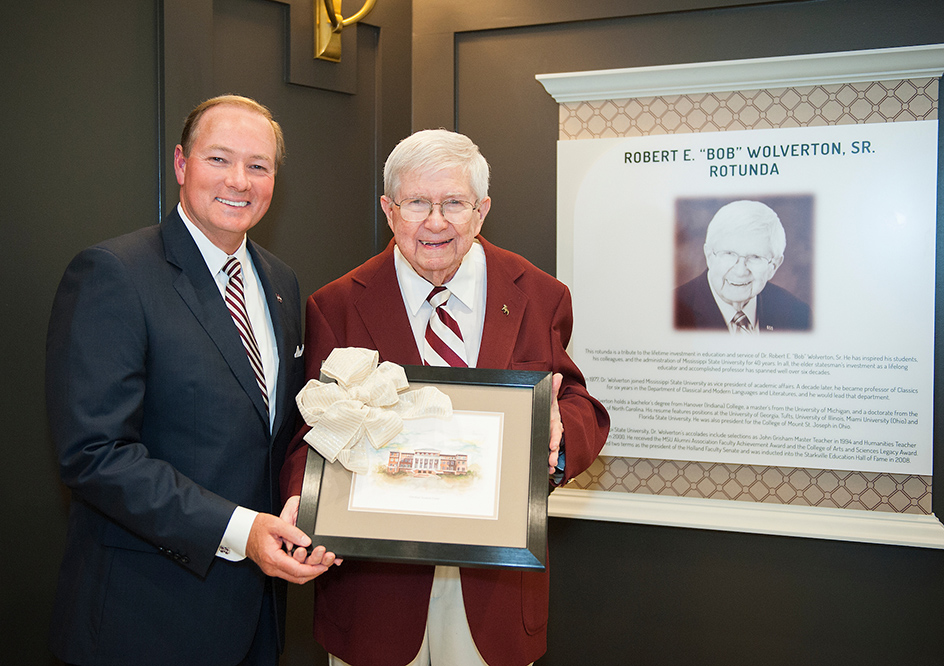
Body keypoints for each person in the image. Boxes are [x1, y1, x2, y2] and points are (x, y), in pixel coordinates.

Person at [280, 129, 610, 666]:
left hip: (493, 589)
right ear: (389, 210)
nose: (435, 222)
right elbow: (311, 432)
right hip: (375, 589)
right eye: (417, 203)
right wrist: (305, 499)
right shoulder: (335, 305)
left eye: (453, 203)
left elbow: (575, 400)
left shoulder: (540, 294)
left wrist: (560, 435)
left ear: (481, 211)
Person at [46, 95, 338, 666]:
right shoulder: (114, 274)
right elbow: (94, 455)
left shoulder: (281, 282)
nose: (239, 181)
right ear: (181, 165)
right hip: (146, 621)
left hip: (258, 618)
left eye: (259, 166)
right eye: (219, 159)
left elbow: (274, 434)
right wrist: (239, 530)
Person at [674, 199, 812, 333]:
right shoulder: (672, 310)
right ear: (709, 255)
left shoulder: (798, 315)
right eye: (729, 254)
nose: (740, 271)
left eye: (755, 257)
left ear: (774, 266)